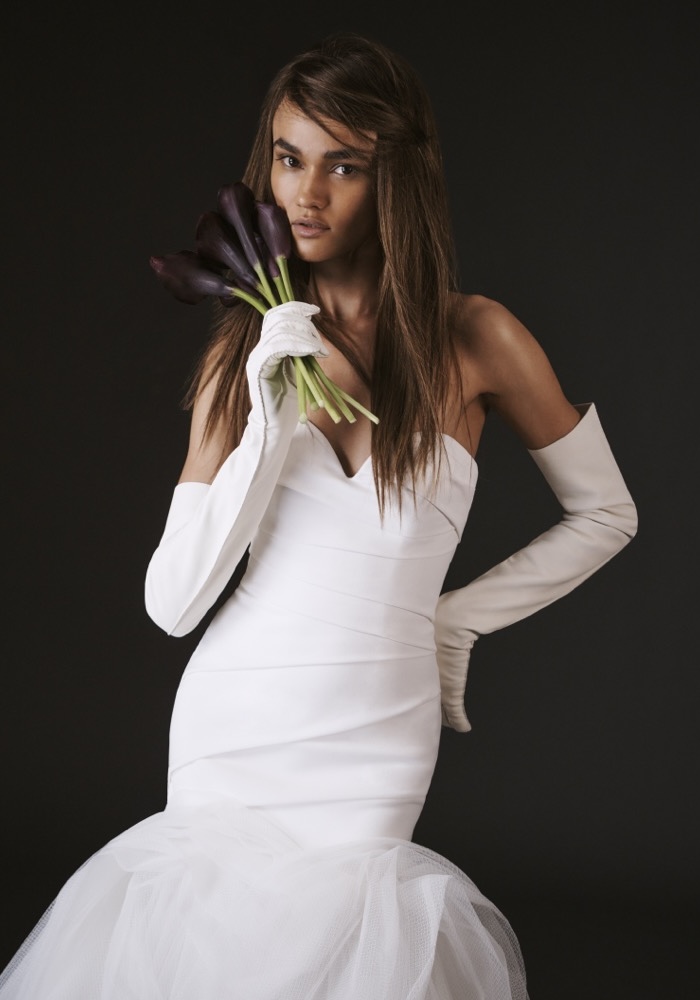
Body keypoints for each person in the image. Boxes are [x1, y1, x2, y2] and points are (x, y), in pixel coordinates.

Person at [0, 30, 637, 1000]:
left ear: (398, 178)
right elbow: (173, 604)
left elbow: (607, 512)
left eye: (344, 166)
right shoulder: (245, 351)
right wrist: (266, 417)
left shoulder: (478, 338)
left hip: (377, 739)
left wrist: (457, 620)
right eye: (289, 159)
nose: (307, 193)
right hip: (234, 724)